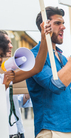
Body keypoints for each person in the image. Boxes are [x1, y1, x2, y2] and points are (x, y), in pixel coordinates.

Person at [26, 7, 71, 137]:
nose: (63, 27)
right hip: (51, 130)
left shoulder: (62, 58)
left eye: (63, 23)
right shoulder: (33, 56)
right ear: (44, 26)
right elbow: (56, 85)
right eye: (57, 23)